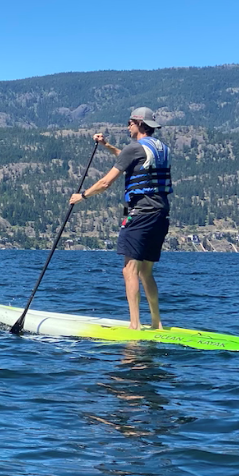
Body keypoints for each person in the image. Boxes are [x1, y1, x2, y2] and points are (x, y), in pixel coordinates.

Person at [69, 107, 173, 329]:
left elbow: (106, 182)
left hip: (140, 213)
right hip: (161, 213)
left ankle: (134, 325)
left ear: (139, 124)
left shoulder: (134, 147)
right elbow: (130, 160)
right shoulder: (161, 149)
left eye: (130, 122)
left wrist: (82, 196)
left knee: (129, 269)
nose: (128, 126)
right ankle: (157, 323)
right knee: (146, 271)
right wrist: (106, 145)